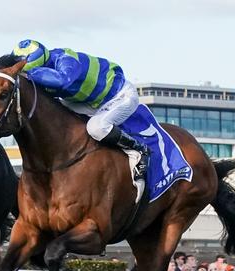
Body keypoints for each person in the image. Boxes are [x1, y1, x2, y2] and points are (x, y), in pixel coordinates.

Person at [11, 40, 150, 184]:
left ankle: (139, 150)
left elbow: (62, 80)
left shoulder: (66, 59)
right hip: (88, 101)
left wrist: (29, 74)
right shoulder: (43, 62)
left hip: (120, 95)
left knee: (96, 128)